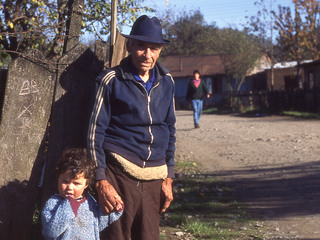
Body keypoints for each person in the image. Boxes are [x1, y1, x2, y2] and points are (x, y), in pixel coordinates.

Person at [87, 15, 176, 240]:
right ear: (129, 46)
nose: (147, 55)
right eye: (141, 47)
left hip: (155, 176)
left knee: (148, 236)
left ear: (160, 51)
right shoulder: (111, 80)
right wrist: (101, 179)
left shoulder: (167, 82)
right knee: (117, 236)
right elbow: (94, 132)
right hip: (119, 174)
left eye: (154, 48)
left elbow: (170, 128)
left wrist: (169, 177)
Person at [41, 148, 123, 240]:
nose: (70, 187)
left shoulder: (89, 201)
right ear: (58, 179)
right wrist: (69, 206)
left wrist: (113, 209)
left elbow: (97, 224)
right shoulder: (53, 203)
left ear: (86, 185)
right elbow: (51, 232)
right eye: (65, 181)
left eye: (76, 183)